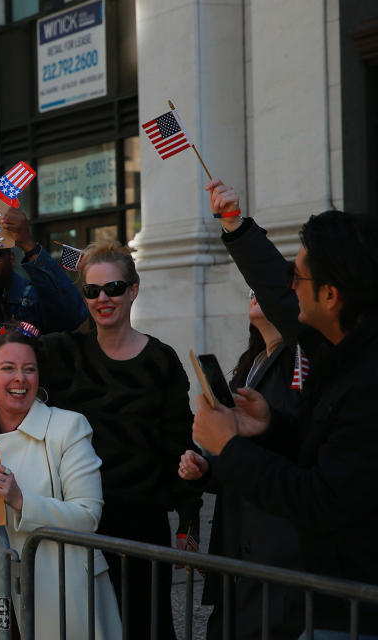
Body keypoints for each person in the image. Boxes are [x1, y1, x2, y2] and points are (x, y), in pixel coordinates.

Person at [0, 240, 201, 639]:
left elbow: (179, 440)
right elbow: (2, 356)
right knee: (88, 626)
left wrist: (188, 519)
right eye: (92, 290)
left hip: (139, 522)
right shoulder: (62, 350)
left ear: (133, 290)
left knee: (146, 626)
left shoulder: (161, 359)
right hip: (72, 522)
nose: (103, 298)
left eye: (114, 288)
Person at [191, 179, 378, 634]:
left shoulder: (365, 379)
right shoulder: (340, 352)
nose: (289, 287)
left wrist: (231, 448)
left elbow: (323, 499)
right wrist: (270, 427)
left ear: (331, 296)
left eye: (299, 277)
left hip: (353, 608)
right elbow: (324, 450)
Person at [0, 331, 120, 639]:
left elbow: (88, 516)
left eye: (29, 369)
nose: (20, 378)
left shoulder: (68, 427)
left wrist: (20, 500)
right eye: (8, 368)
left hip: (58, 585)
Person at [179, 292, 304, 639]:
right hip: (237, 537)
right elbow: (239, 452)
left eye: (266, 286)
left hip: (275, 538)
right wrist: (207, 467)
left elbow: (290, 445)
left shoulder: (299, 361)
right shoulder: (251, 363)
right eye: (250, 289)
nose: (255, 293)